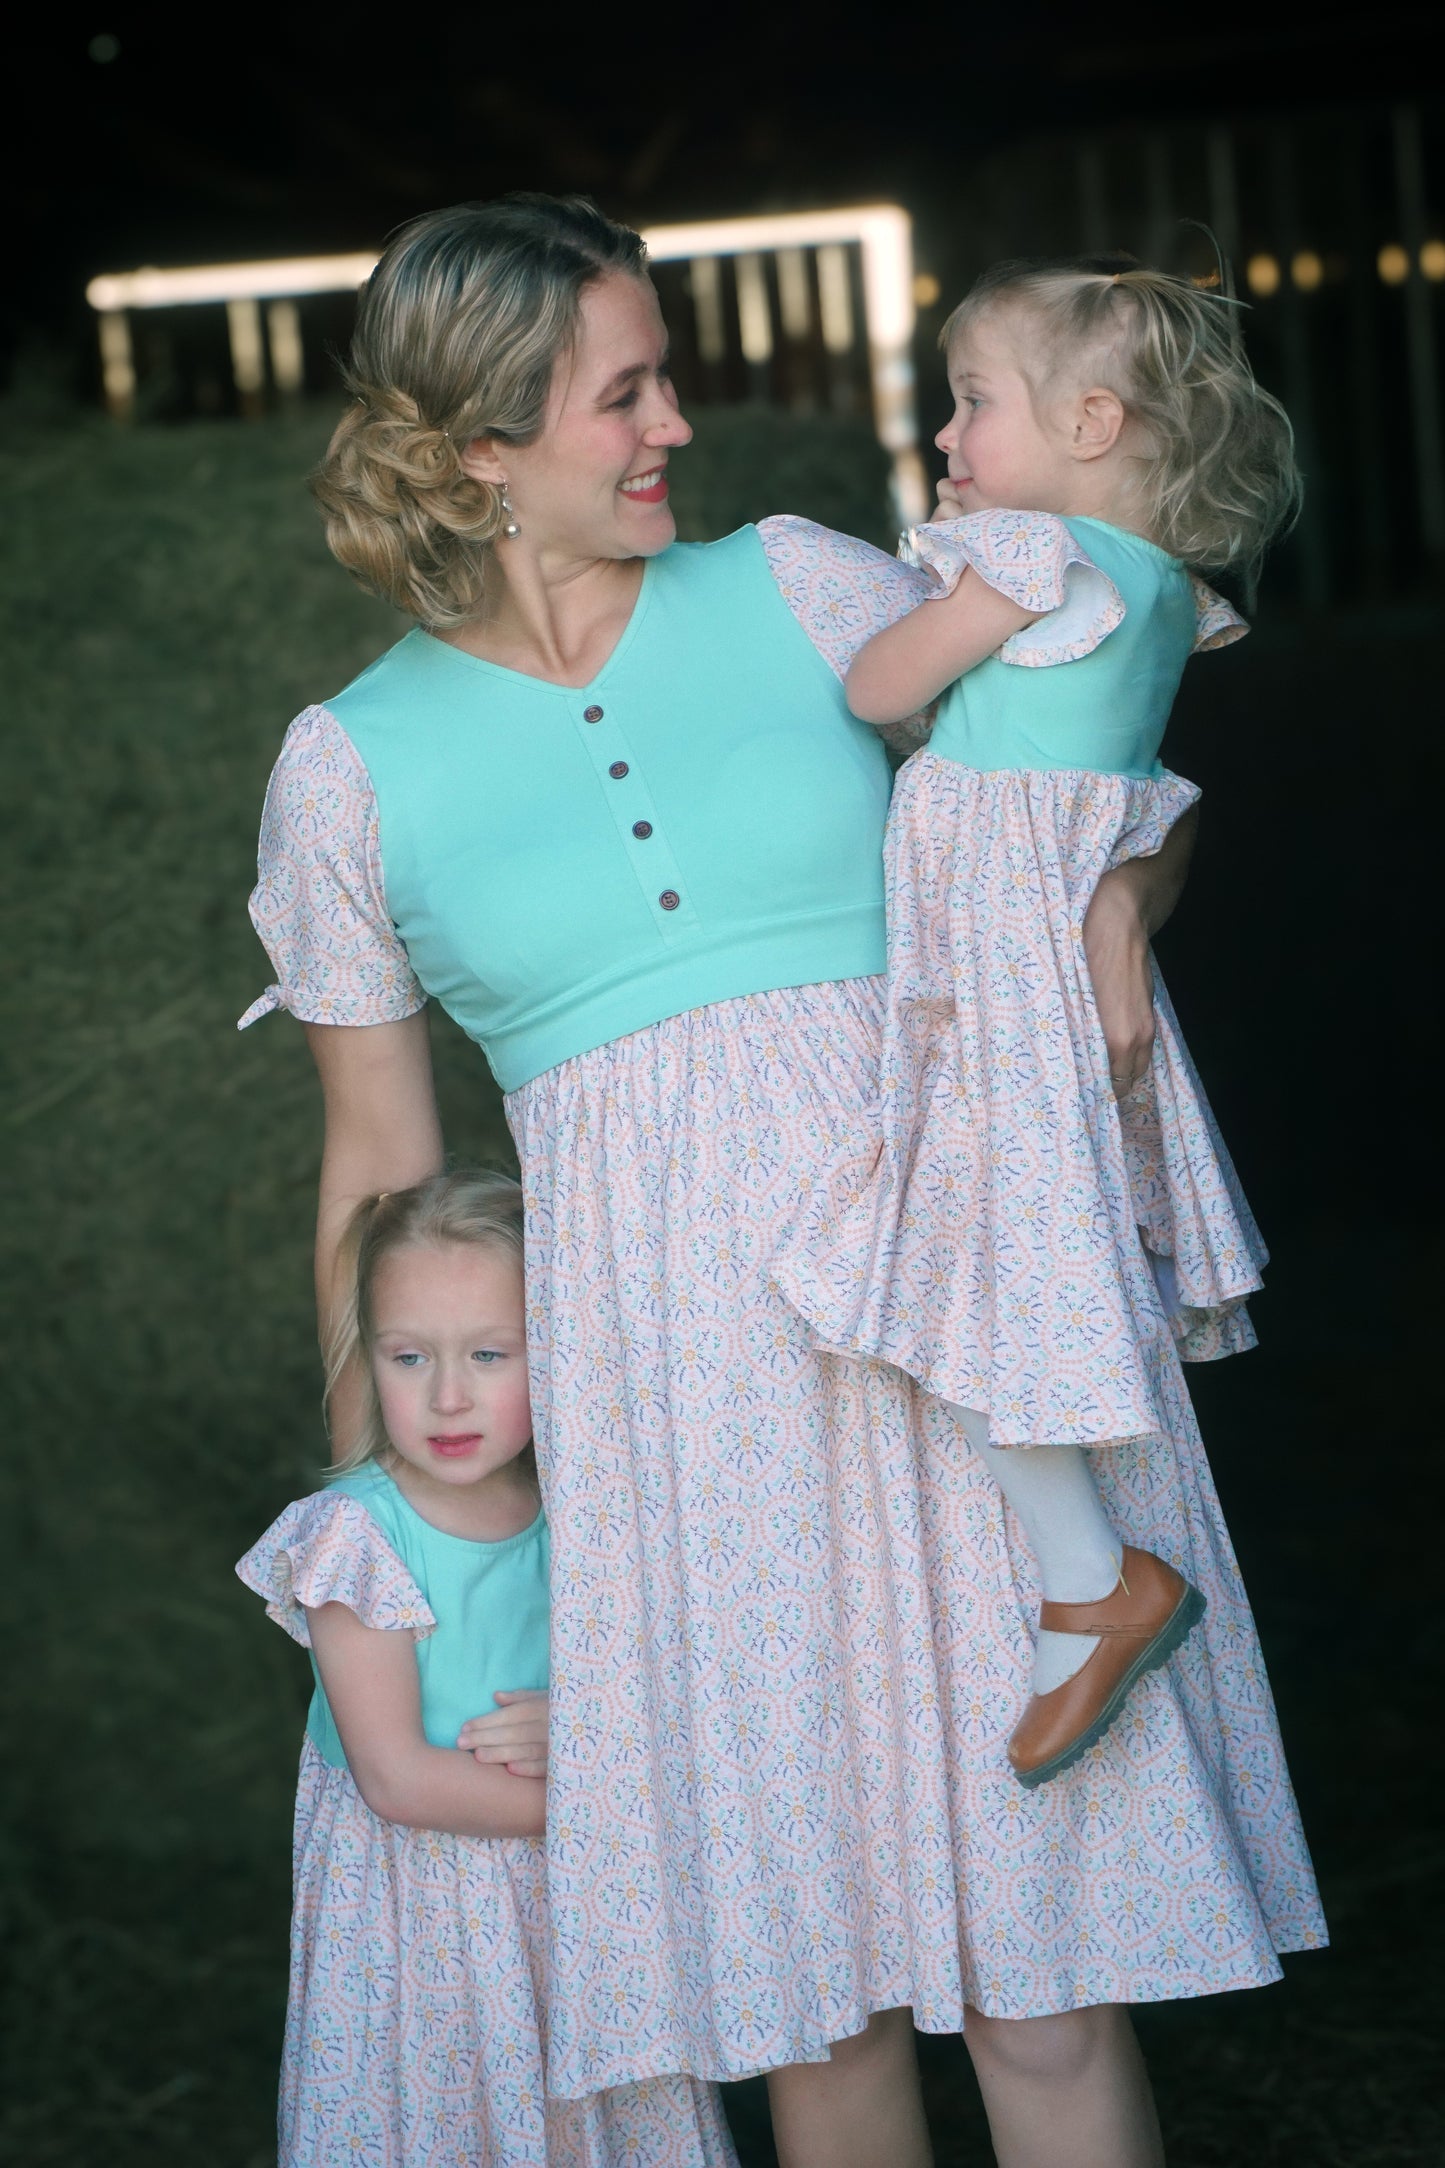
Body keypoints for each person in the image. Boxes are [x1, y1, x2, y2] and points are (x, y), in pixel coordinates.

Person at [238, 196, 1318, 2168]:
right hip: (675, 1428)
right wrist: (387, 1543)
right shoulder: (349, 769)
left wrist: (1112, 920)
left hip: (946, 1338)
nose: (672, 425)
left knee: (1039, 1985)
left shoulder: (816, 585)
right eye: (620, 392)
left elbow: (1082, 789)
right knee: (805, 2012)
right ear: (480, 444)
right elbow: (379, 1173)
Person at [774, 253, 1303, 1789]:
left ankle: (1098, 1583)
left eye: (970, 403)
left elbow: (881, 687)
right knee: (987, 1269)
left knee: (976, 1275)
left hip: (995, 980)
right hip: (1032, 972)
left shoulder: (1026, 556)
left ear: (1088, 420)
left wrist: (920, 607)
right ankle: (1088, 1580)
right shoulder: (1163, 592)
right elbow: (1138, 804)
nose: (945, 438)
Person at [236, 1167, 738, 2168]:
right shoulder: (355, 1538)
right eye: (409, 1355)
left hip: (584, 1913)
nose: (448, 1393)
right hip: (421, 1927)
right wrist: (621, 1786)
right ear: (366, 1355)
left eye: (489, 1353)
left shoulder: (595, 1524)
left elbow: (666, 1695)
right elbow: (397, 1777)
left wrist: (593, 1728)